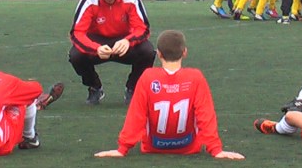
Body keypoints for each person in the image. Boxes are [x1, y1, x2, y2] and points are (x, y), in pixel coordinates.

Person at [94, 30, 244, 160]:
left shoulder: (148, 77)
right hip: (189, 148)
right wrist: (216, 150)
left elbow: (136, 115)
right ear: (184, 52)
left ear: (159, 54)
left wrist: (122, 148)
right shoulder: (195, 77)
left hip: (153, 148)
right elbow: (205, 115)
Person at [69, 0, 155, 104]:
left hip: (124, 41)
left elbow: (143, 28)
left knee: (148, 51)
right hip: (97, 42)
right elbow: (77, 33)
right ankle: (94, 87)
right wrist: (95, 48)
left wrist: (128, 41)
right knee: (76, 56)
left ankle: (133, 88)